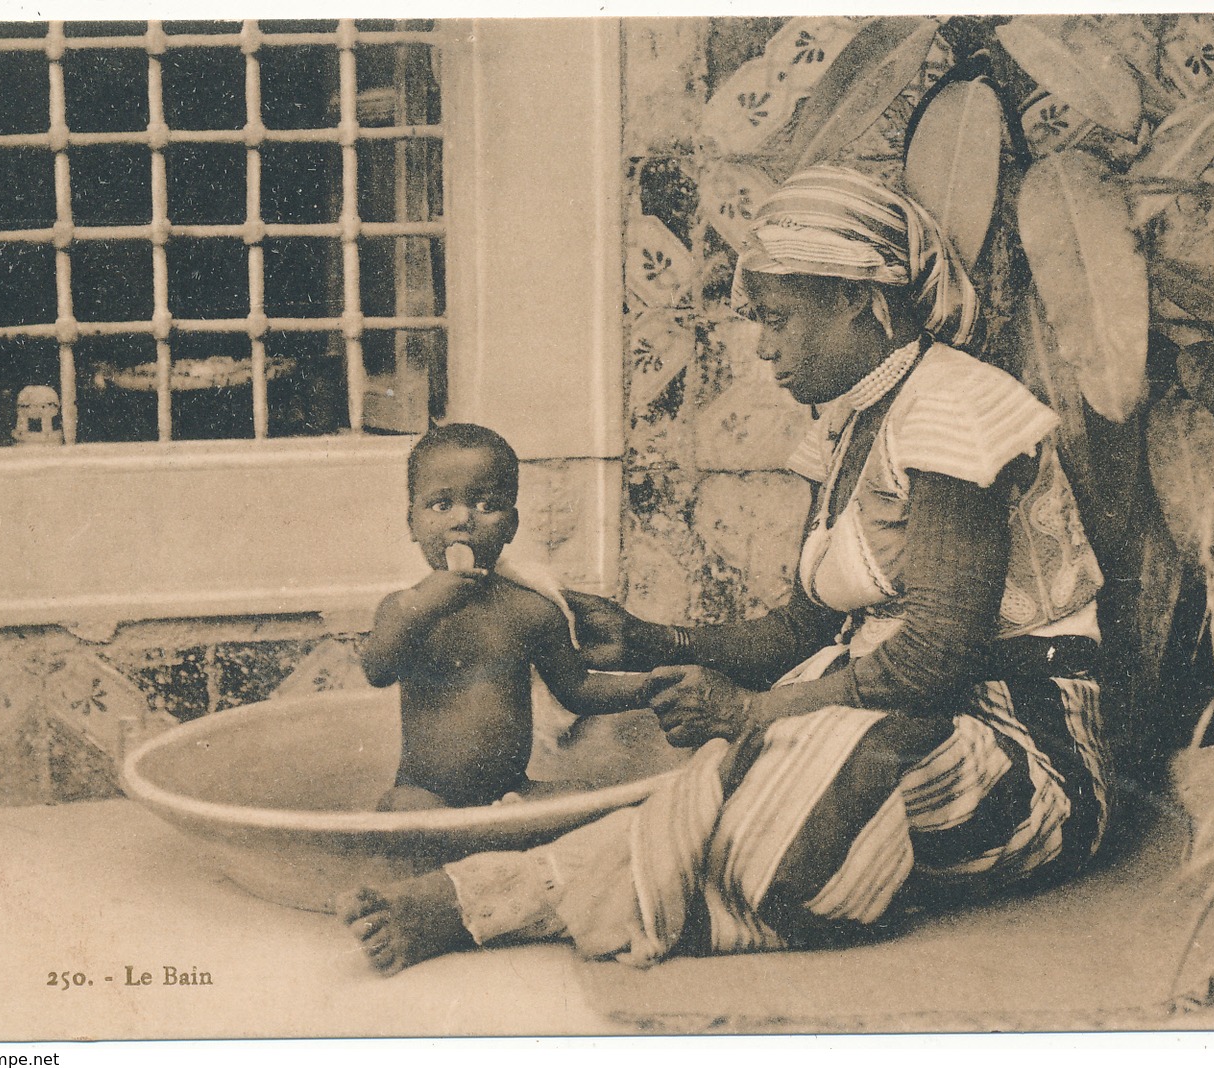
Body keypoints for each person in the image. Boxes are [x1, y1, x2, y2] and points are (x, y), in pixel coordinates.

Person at [338, 165, 1109, 974]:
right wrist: (645, 638)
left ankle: (511, 898)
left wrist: (751, 713)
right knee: (723, 779)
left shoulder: (952, 406)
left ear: (856, 297)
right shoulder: (848, 428)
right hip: (896, 723)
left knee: (796, 766)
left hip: (1018, 753)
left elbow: (934, 659)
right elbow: (802, 628)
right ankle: (499, 895)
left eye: (775, 319)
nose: (763, 346)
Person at [358, 422, 647, 812]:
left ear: (510, 526)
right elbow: (378, 670)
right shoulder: (404, 607)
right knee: (402, 808)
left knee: (597, 803)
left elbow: (577, 689)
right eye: (442, 505)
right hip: (426, 794)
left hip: (510, 792)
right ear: (412, 523)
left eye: (485, 505)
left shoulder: (530, 611)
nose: (462, 520)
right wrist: (424, 605)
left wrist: (649, 688)